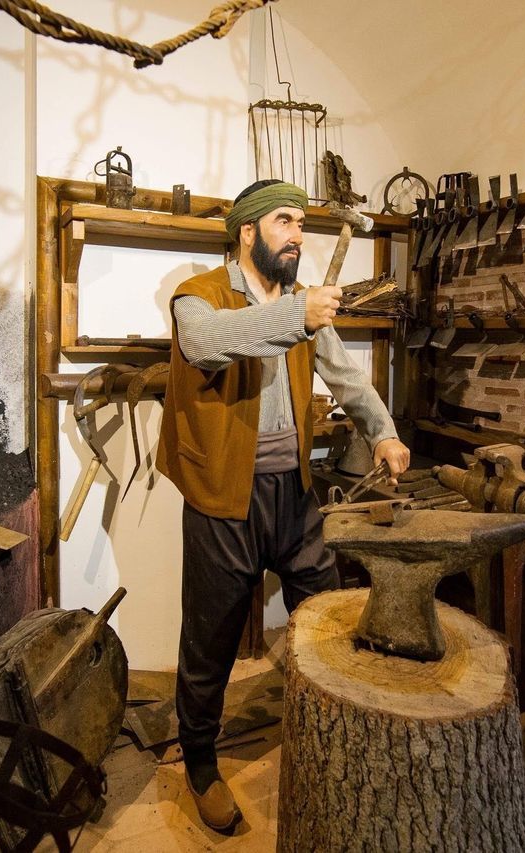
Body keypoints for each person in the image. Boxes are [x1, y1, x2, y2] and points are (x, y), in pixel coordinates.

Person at [157, 178, 411, 832]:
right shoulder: (199, 297)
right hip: (223, 497)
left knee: (322, 612)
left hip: (291, 492)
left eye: (301, 223)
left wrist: (382, 432)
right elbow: (208, 342)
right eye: (284, 222)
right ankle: (203, 761)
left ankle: (327, 729)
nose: (298, 234)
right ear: (248, 233)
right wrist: (297, 316)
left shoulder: (300, 302)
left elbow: (346, 376)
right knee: (210, 638)